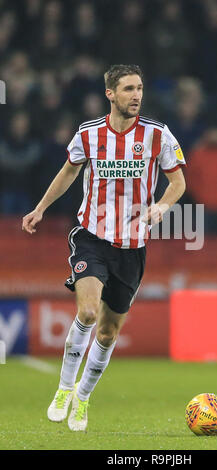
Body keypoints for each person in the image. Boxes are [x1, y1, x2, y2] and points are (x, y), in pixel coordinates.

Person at [22, 64, 186, 432]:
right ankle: (64, 389)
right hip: (92, 236)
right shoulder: (89, 133)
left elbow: (178, 182)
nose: (137, 95)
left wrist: (160, 206)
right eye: (128, 89)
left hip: (132, 247)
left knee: (109, 332)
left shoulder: (158, 135)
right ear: (110, 93)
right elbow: (68, 172)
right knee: (89, 311)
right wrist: (41, 208)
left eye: (140, 88)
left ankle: (82, 397)